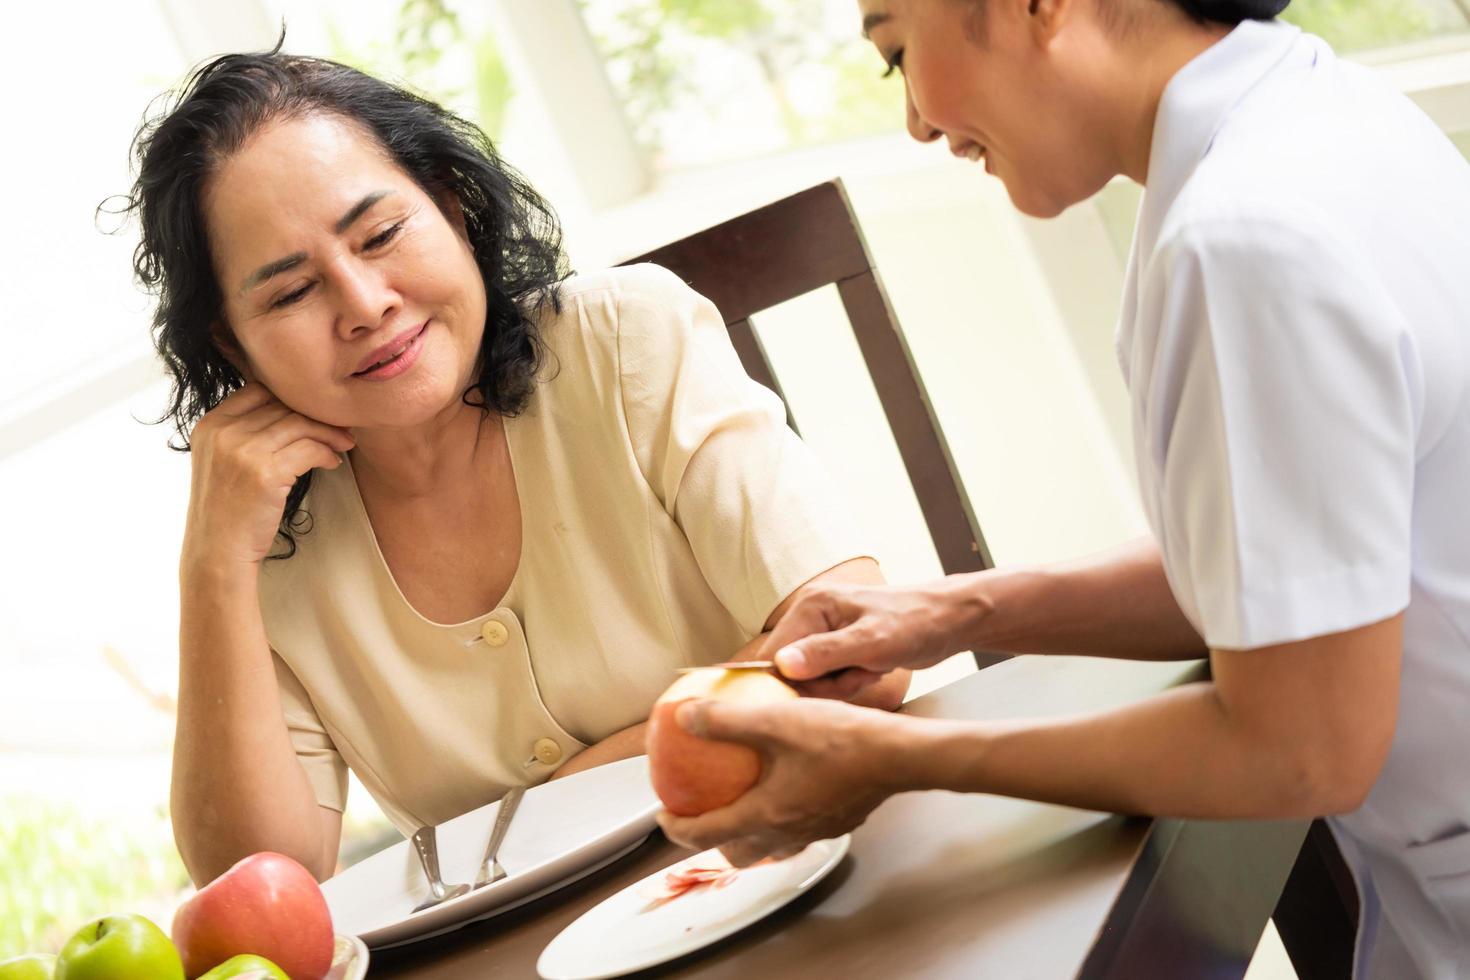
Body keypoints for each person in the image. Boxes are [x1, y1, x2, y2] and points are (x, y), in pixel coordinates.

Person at [657, 1, 1470, 977]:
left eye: (897, 54)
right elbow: (1295, 569)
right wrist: (944, 611)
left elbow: (1299, 746)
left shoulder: (1244, 238)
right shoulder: (1319, 110)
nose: (915, 118)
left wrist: (888, 760)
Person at [123, 48, 907, 888]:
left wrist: (542, 807)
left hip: (822, 874)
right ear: (233, 345)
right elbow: (259, 884)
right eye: (289, 293)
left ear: (454, 207)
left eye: (382, 235)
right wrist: (211, 567)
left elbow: (860, 651)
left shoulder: (626, 340)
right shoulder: (264, 541)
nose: (365, 304)